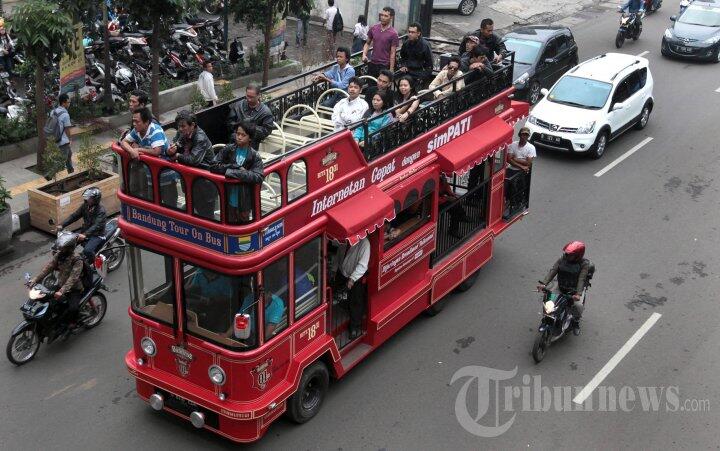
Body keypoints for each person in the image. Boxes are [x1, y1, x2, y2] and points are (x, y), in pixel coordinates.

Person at [27, 232, 85, 333]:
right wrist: (35, 279)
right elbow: (48, 268)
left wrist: (61, 291)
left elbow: (73, 278)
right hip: (60, 285)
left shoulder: (77, 260)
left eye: (63, 248)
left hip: (74, 289)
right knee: (46, 300)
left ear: (69, 248)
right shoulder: (59, 255)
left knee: (73, 308)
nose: (60, 249)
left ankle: (72, 323)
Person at [212, 121, 265, 223]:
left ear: (250, 138)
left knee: (243, 222)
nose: (239, 137)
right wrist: (233, 167)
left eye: (243, 135)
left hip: (245, 199)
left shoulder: (254, 156)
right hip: (227, 195)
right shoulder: (228, 149)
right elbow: (213, 165)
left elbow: (258, 176)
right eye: (238, 134)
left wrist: (233, 172)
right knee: (229, 222)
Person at [537, 241, 590, 335]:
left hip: (574, 290)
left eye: (570, 254)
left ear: (578, 255)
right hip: (561, 285)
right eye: (567, 253)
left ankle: (576, 322)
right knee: (548, 300)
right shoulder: (563, 258)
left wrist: (578, 294)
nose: (567, 255)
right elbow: (553, 270)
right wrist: (544, 284)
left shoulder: (584, 264)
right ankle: (546, 319)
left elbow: (581, 279)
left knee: (578, 306)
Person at [121, 107, 172, 201]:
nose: (134, 124)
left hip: (165, 175)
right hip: (150, 174)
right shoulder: (137, 131)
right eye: (133, 121)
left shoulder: (155, 130)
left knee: (169, 204)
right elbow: (124, 142)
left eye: (137, 122)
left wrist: (138, 149)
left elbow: (157, 151)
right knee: (151, 202)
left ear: (146, 122)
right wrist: (132, 151)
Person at [59, 187, 107, 263]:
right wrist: (62, 225)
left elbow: (96, 225)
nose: (87, 199)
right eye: (87, 197)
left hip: (97, 235)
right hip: (85, 232)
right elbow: (74, 216)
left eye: (90, 198)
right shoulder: (85, 206)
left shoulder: (101, 211)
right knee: (67, 244)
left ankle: (94, 265)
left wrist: (85, 234)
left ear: (96, 199)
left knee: (87, 251)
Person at [335, 237, 370, 339]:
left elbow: (362, 265)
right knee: (343, 298)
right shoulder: (345, 239)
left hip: (356, 278)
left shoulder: (365, 244)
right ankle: (346, 313)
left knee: (356, 302)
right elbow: (339, 254)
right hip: (342, 273)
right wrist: (334, 269)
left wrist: (352, 280)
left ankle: (355, 327)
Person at [227, 83, 276, 149]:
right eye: (247, 96)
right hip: (235, 140)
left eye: (252, 97)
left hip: (251, 144)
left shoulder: (265, 112)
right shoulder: (239, 106)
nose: (249, 99)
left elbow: (267, 130)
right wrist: (239, 130)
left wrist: (251, 129)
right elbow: (230, 122)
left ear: (259, 96)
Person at [362, 6, 399, 77]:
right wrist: (364, 54)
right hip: (373, 63)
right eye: (382, 15)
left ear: (391, 17)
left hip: (384, 65)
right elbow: (367, 43)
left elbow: (393, 53)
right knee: (371, 85)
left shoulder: (393, 33)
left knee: (382, 87)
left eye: (386, 16)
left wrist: (391, 69)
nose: (383, 17)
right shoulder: (374, 28)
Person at [398, 22, 433, 88]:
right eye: (409, 32)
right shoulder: (406, 43)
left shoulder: (425, 45)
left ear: (418, 33)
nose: (410, 34)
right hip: (407, 72)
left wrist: (422, 77)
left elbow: (429, 65)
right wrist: (403, 65)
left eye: (413, 32)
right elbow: (402, 57)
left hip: (419, 73)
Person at [53, 94, 74, 174]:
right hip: (63, 141)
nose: (69, 104)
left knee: (69, 154)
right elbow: (67, 129)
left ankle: (71, 172)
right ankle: (49, 176)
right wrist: (70, 139)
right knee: (61, 161)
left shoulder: (53, 111)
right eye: (68, 102)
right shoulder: (65, 115)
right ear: (64, 103)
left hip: (55, 138)